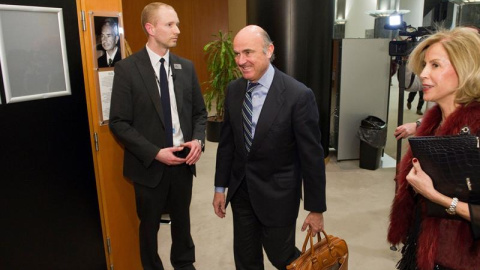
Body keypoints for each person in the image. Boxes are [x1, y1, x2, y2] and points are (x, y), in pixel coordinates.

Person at [212, 25, 326, 270]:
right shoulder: (233, 90)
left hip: (278, 196)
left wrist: (316, 209)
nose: (241, 61)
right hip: (241, 191)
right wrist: (220, 188)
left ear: (269, 50)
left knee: (282, 257)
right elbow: (227, 145)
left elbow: (312, 158)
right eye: (236, 54)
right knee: (245, 259)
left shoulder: (298, 95)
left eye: (248, 53)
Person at [109, 3, 207, 270]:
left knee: (182, 223)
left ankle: (184, 264)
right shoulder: (127, 69)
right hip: (149, 165)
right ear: (150, 28)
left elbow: (200, 113)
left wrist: (198, 140)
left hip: (183, 162)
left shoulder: (186, 68)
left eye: (177, 23)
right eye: (170, 24)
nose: (178, 30)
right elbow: (118, 123)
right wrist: (154, 152)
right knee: (149, 226)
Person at [388, 27, 480, 270]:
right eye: (425, 65)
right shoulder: (433, 124)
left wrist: (437, 197)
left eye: (435, 65)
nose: (423, 74)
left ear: (465, 69)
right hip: (422, 251)